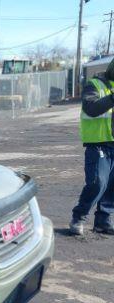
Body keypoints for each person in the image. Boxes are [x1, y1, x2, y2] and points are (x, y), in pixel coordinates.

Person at [70, 58, 114, 236]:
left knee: (112, 186)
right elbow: (91, 109)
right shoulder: (94, 85)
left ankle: (103, 221)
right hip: (98, 144)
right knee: (98, 182)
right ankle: (79, 216)